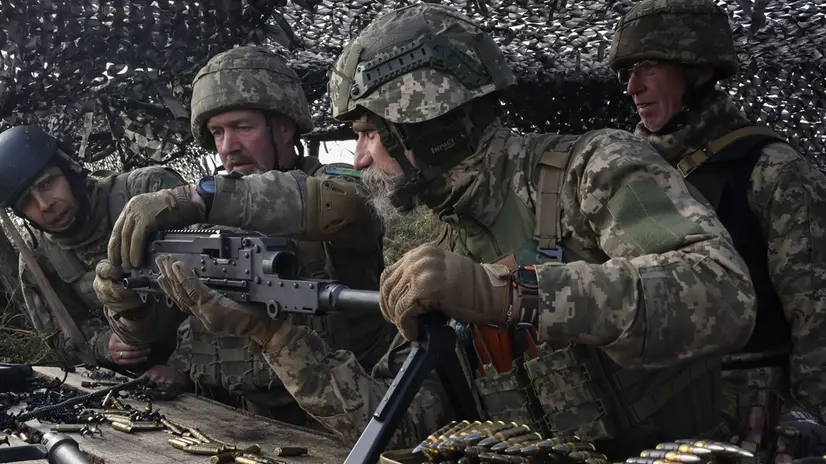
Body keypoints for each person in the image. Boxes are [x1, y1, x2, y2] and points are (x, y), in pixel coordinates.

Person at [105, 4, 759, 457]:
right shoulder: (420, 232)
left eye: (365, 134)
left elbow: (723, 295)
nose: (358, 158)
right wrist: (267, 333)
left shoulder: (592, 168)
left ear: (421, 119)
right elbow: (406, 424)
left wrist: (515, 296)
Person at [97, 46, 395, 424]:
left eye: (242, 127)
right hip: (237, 419)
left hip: (351, 417)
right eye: (217, 132)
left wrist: (198, 197)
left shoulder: (334, 184)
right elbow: (161, 327)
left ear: (284, 126)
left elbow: (346, 207)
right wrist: (128, 305)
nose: (228, 148)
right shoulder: (207, 220)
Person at [608, 0, 826, 457]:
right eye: (628, 70)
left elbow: (817, 316)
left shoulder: (770, 170)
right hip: (647, 418)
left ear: (699, 71)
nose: (633, 86)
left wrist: (810, 425)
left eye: (648, 67)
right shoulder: (620, 174)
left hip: (750, 425)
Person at [0, 125, 188, 372]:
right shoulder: (38, 258)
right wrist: (102, 345)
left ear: (70, 169)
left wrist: (182, 364)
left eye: (47, 184)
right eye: (27, 201)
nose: (45, 205)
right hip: (140, 379)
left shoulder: (149, 191)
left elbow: (225, 285)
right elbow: (62, 336)